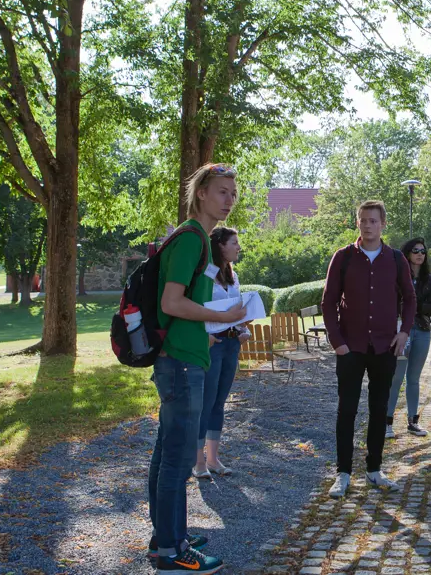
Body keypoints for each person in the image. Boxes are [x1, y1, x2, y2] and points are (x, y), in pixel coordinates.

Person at [149, 163, 248, 574]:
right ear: (202, 193)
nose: (230, 200)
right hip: (181, 363)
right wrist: (222, 318)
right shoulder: (192, 239)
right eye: (222, 192)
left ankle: (169, 536)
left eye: (233, 193)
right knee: (176, 459)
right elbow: (171, 303)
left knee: (166, 456)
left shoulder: (199, 242)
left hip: (185, 358)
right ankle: (171, 551)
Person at [321, 200, 416, 498]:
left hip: (385, 347)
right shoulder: (343, 258)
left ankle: (374, 469)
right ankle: (343, 473)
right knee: (346, 410)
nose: (367, 225)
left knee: (379, 410)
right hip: (351, 348)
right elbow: (328, 302)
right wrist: (338, 343)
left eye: (373, 220)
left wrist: (404, 332)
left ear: (383, 224)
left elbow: (410, 300)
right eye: (363, 220)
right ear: (357, 223)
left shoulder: (397, 259)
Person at [192, 226, 253, 480]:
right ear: (220, 245)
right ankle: (198, 463)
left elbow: (234, 309)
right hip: (213, 344)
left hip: (231, 344)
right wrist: (204, 335)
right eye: (234, 243)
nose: (238, 247)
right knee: (205, 403)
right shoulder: (205, 273)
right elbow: (196, 306)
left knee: (219, 402)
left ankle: (214, 459)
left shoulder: (233, 275)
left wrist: (242, 327)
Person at [386, 238, 431, 439]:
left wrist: (412, 306)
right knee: (396, 378)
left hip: (423, 332)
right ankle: (387, 422)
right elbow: (393, 305)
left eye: (423, 251)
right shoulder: (397, 277)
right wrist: (414, 307)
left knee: (414, 379)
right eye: (416, 250)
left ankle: (413, 422)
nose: (420, 254)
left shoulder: (429, 280)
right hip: (401, 333)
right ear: (407, 254)